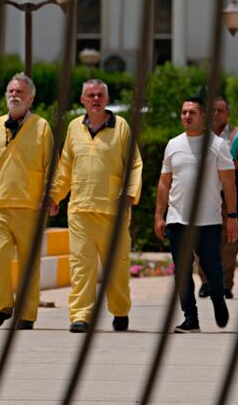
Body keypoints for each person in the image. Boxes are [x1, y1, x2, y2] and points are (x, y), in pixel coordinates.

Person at [47, 79, 143, 333]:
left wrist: (130, 194)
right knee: (81, 267)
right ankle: (80, 316)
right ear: (82, 100)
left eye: (100, 95)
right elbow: (65, 166)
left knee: (118, 269)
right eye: (90, 95)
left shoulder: (121, 127)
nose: (96, 99)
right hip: (80, 210)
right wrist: (54, 196)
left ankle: (120, 311)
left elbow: (134, 164)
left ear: (107, 100)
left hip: (113, 212)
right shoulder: (73, 128)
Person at [0, 73, 54, 330]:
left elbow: (52, 165)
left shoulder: (41, 127)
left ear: (31, 98)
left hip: (30, 206)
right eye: (11, 91)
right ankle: (2, 306)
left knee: (29, 263)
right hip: (0, 205)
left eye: (20, 92)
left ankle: (26, 314)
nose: (14, 95)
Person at [154, 97, 238, 333]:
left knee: (212, 268)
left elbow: (229, 184)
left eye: (192, 112)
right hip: (177, 219)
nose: (187, 116)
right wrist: (159, 215)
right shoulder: (173, 145)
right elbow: (164, 183)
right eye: (183, 112)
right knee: (181, 272)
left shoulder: (218, 145)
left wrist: (232, 216)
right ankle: (191, 319)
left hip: (208, 221)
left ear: (203, 116)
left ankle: (218, 300)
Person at [197, 96, 238, 300]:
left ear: (227, 113)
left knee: (230, 241)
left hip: (229, 196)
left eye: (220, 110)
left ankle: (225, 284)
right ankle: (205, 282)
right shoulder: (197, 135)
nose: (216, 114)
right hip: (204, 197)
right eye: (212, 110)